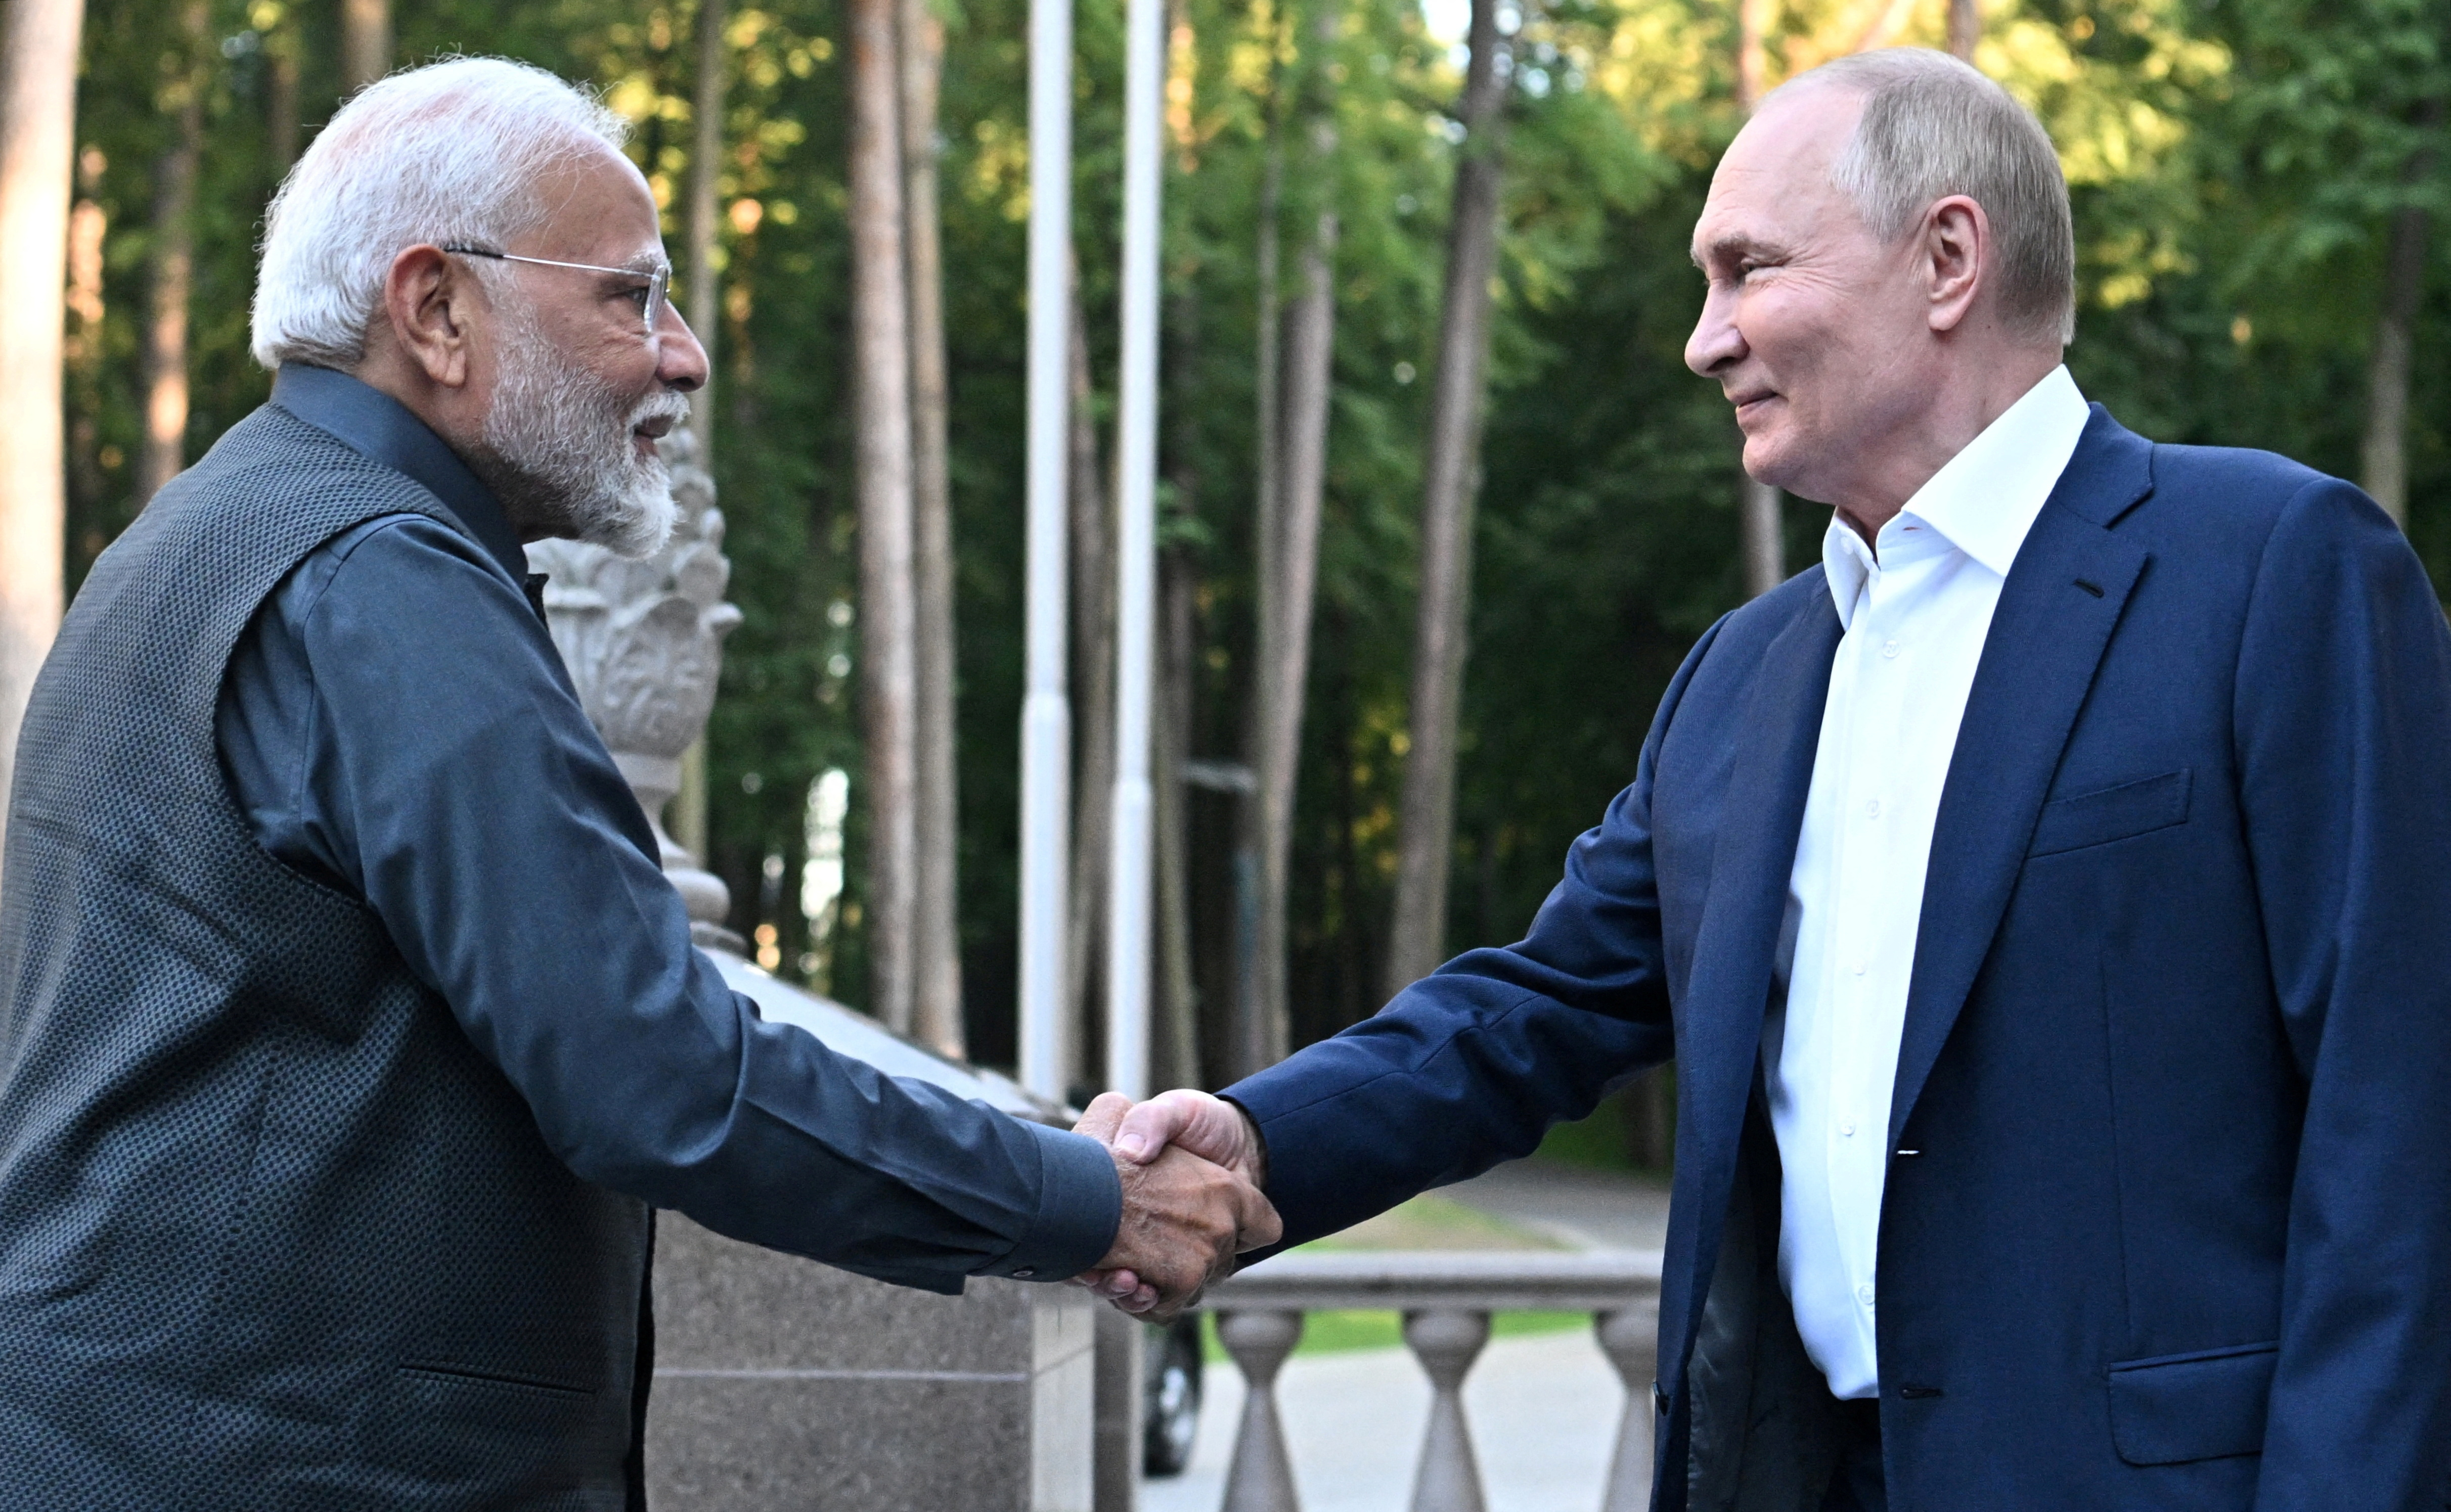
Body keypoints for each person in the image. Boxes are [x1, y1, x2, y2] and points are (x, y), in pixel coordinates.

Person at [1076, 47, 2451, 1511]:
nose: (1704, 341)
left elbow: (2403, 1127)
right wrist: (1260, 1140)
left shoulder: (2275, 571)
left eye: (1749, 271)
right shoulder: (1742, 677)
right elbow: (1535, 1011)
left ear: (1947, 259)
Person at [0, 58, 1274, 1510]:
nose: (685, 356)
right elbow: (656, 1074)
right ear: (437, 310)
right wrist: (1081, 1195)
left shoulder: (208, 531)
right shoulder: (379, 582)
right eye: (633, 295)